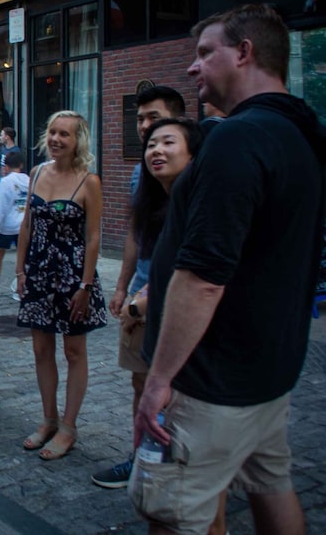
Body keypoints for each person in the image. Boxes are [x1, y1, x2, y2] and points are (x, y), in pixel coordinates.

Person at [132, 4, 326, 534]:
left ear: (244, 53)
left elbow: (203, 275)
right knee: (271, 484)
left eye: (204, 54)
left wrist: (160, 381)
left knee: (171, 515)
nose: (192, 68)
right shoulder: (301, 132)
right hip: (265, 372)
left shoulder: (238, 139)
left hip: (210, 381)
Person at [91, 85, 185, 489]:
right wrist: (123, 287)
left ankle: (178, 463)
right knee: (140, 382)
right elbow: (136, 232)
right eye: (141, 119)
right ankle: (141, 457)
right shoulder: (140, 170)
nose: (146, 128)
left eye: (155, 118)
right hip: (141, 294)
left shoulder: (199, 174)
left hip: (176, 299)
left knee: (177, 389)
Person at [15, 110, 105, 461]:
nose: (56, 139)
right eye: (52, 132)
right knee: (41, 350)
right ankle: (48, 419)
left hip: (72, 276)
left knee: (73, 351)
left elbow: (94, 237)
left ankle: (69, 426)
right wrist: (21, 270)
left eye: (64, 134)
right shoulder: (36, 172)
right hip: (38, 272)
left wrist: (85, 284)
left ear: (77, 140)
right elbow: (27, 225)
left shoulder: (89, 181)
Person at [0, 151, 29, 299]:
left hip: (7, 225)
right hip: (24, 225)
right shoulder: (29, 180)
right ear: (21, 164)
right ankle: (20, 288)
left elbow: (1, 207)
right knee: (22, 257)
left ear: (7, 166)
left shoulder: (6, 182)